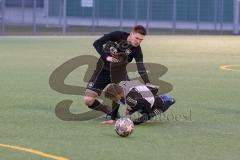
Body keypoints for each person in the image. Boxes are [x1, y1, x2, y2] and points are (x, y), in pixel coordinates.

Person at [83, 25, 155, 119]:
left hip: (119, 74)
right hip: (101, 71)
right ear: (131, 34)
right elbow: (97, 43)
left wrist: (147, 82)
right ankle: (109, 111)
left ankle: (146, 112)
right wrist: (106, 57)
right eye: (137, 38)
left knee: (129, 98)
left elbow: (141, 68)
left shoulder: (137, 50)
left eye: (141, 39)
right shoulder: (117, 35)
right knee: (88, 100)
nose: (138, 41)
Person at [103, 80, 175, 125]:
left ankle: (167, 102)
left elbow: (146, 104)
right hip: (147, 93)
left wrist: (149, 114)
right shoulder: (121, 84)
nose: (112, 99)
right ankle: (160, 97)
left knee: (145, 116)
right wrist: (113, 119)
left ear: (118, 94)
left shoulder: (130, 99)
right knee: (134, 105)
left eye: (112, 97)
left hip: (153, 103)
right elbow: (116, 101)